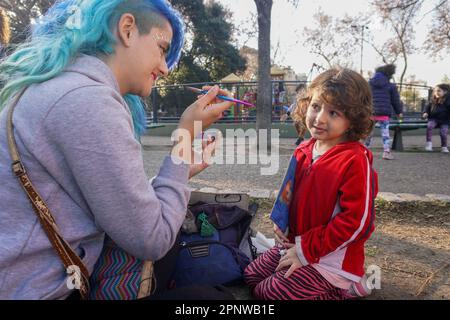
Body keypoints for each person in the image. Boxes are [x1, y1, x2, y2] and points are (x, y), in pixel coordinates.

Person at [0, 0, 234, 299]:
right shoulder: (87, 101)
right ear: (127, 29)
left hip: (33, 276)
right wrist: (185, 136)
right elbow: (153, 237)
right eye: (163, 49)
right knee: (214, 301)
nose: (164, 68)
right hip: (41, 290)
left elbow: (122, 206)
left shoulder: (59, 85)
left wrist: (181, 168)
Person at [244, 68, 378, 300]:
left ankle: (346, 289)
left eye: (334, 112)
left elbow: (357, 223)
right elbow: (289, 192)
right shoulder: (304, 149)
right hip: (296, 244)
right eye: (316, 106)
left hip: (329, 260)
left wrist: (306, 251)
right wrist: (281, 222)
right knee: (251, 277)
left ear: (353, 119)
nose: (320, 118)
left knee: (268, 294)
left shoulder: (355, 160)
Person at [364, 64, 403, 160]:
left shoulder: (369, 84)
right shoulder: (391, 86)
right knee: (385, 134)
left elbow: (364, 97)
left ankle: (364, 151)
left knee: (368, 133)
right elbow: (395, 100)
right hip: (384, 113)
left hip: (371, 112)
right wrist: (399, 112)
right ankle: (386, 152)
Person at [423, 83, 450, 153]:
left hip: (445, 120)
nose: (436, 93)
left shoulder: (448, 100)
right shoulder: (433, 99)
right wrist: (425, 113)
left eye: (439, 91)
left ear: (445, 92)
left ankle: (444, 146)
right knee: (429, 126)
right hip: (433, 119)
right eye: (435, 91)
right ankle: (429, 144)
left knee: (443, 132)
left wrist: (444, 101)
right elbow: (427, 107)